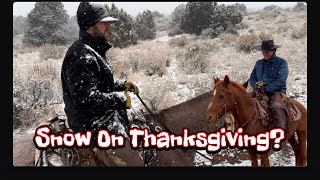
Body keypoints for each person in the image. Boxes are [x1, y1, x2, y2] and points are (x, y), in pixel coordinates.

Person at [61, 2, 143, 166]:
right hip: (91, 126)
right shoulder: (80, 55)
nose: (109, 26)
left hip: (102, 118)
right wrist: (120, 99)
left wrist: (122, 85)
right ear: (90, 25)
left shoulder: (91, 50)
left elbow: (97, 84)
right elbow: (87, 100)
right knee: (136, 164)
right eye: (104, 22)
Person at [249, 40, 289, 131]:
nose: (265, 53)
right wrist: (255, 86)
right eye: (263, 51)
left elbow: (281, 81)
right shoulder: (258, 63)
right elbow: (252, 77)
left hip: (277, 91)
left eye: (267, 51)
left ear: (274, 50)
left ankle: (280, 132)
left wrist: (266, 89)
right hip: (259, 90)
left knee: (276, 107)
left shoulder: (282, 63)